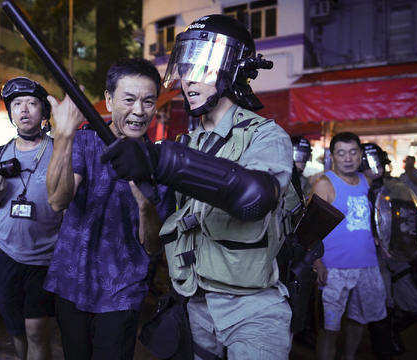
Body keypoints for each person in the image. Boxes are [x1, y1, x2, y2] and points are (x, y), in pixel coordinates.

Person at [103, 15, 294, 359]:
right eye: (187, 69)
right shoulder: (187, 143)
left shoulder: (266, 135)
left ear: (233, 72)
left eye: (202, 69)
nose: (190, 80)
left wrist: (160, 161)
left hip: (251, 309)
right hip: (194, 307)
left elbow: (255, 197)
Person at [44, 58, 176, 360]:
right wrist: (64, 135)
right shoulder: (86, 141)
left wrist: (145, 204)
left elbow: (154, 245)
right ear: (108, 100)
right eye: (129, 100)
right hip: (71, 282)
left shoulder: (161, 163)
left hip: (122, 292)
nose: (139, 111)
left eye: (148, 101)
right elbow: (57, 201)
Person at [0, 77, 62, 360]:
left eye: (31, 104)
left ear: (43, 113)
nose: (24, 110)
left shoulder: (59, 151)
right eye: (17, 104)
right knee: (16, 329)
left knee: (36, 330)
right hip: (5, 253)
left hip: (44, 257)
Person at [312, 132, 387, 360]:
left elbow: (378, 218)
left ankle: (349, 357)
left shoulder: (367, 182)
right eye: (341, 153)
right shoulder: (325, 184)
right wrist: (318, 263)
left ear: (360, 155)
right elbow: (311, 230)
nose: (348, 158)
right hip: (335, 270)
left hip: (367, 267)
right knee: (330, 328)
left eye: (353, 152)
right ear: (333, 156)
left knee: (358, 320)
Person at [361, 143, 417, 358]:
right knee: (381, 305)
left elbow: (409, 221)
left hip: (396, 254)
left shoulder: (396, 188)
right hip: (372, 258)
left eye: (378, 162)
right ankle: (384, 345)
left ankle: (391, 332)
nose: (375, 167)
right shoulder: (356, 189)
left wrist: (410, 248)